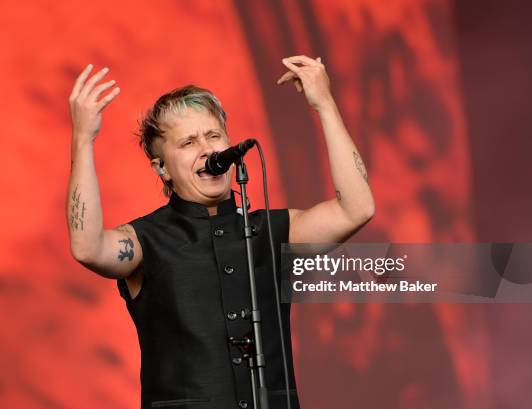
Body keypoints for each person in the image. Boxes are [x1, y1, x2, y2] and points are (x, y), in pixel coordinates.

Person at [67, 56, 375, 409]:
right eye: (188, 143)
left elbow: (357, 208)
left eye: (214, 135)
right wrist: (83, 139)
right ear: (162, 168)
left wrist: (324, 104)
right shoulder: (145, 240)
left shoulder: (270, 231)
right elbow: (87, 246)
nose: (208, 149)